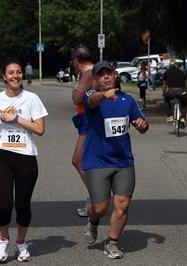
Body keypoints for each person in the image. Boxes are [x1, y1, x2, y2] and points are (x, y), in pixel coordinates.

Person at [0, 58, 48, 263]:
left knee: (23, 205)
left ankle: (21, 243)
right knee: (3, 205)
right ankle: (3, 239)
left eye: (18, 72)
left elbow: (40, 129)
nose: (15, 76)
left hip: (26, 157)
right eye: (11, 72)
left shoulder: (32, 98)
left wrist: (17, 118)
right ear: (4, 76)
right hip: (3, 156)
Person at [82, 61, 149, 259]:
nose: (106, 77)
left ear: (115, 75)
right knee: (100, 208)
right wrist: (103, 95)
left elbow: (143, 125)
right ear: (95, 79)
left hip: (124, 162)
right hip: (97, 161)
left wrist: (142, 124)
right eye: (101, 75)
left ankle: (111, 242)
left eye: (108, 73)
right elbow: (92, 101)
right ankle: (92, 221)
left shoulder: (127, 100)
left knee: (123, 204)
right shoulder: (91, 97)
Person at [71, 44, 98, 217]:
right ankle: (96, 196)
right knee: (89, 161)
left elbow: (76, 98)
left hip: (88, 121)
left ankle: (96, 197)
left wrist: (75, 91)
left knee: (77, 160)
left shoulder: (88, 74)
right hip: (92, 120)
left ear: (76, 61)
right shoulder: (97, 70)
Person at [162, 59, 187, 129]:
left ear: (169, 66)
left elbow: (164, 85)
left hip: (171, 91)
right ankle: (183, 118)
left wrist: (164, 93)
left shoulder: (166, 73)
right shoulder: (182, 72)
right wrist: (185, 91)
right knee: (184, 104)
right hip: (181, 91)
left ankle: (170, 116)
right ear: (176, 66)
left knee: (166, 100)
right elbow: (185, 83)